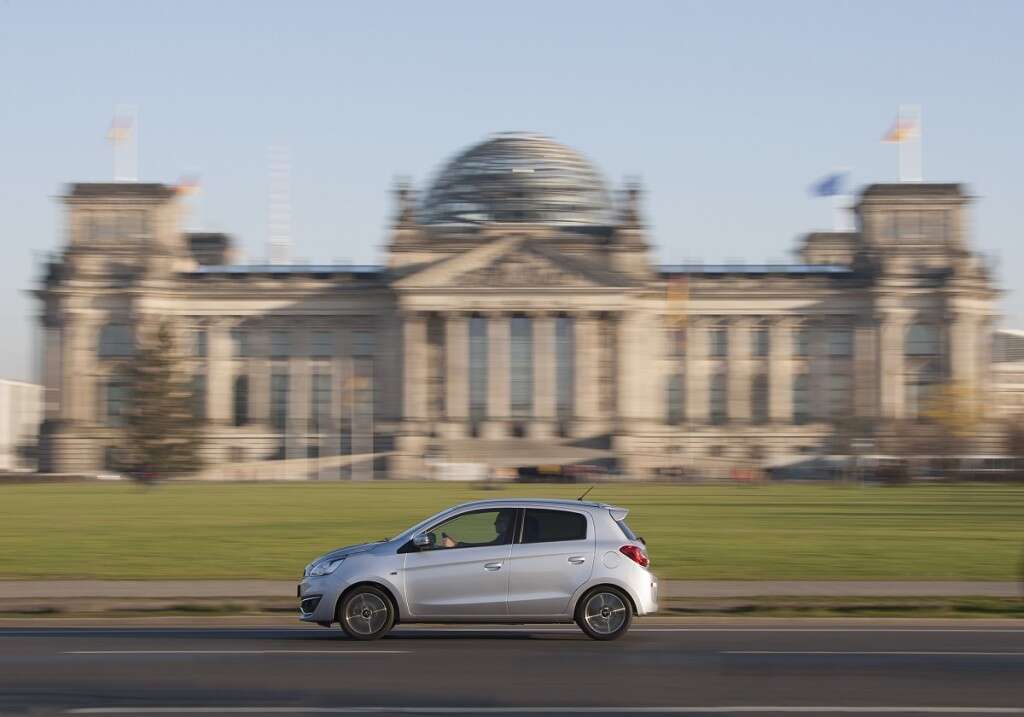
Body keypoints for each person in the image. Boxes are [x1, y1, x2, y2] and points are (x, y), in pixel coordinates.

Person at [439, 510, 514, 549]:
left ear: (510, 522)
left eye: (500, 520)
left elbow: (486, 549)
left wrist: (457, 545)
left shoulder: (507, 540)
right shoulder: (505, 538)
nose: (495, 523)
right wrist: (457, 545)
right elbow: (487, 546)